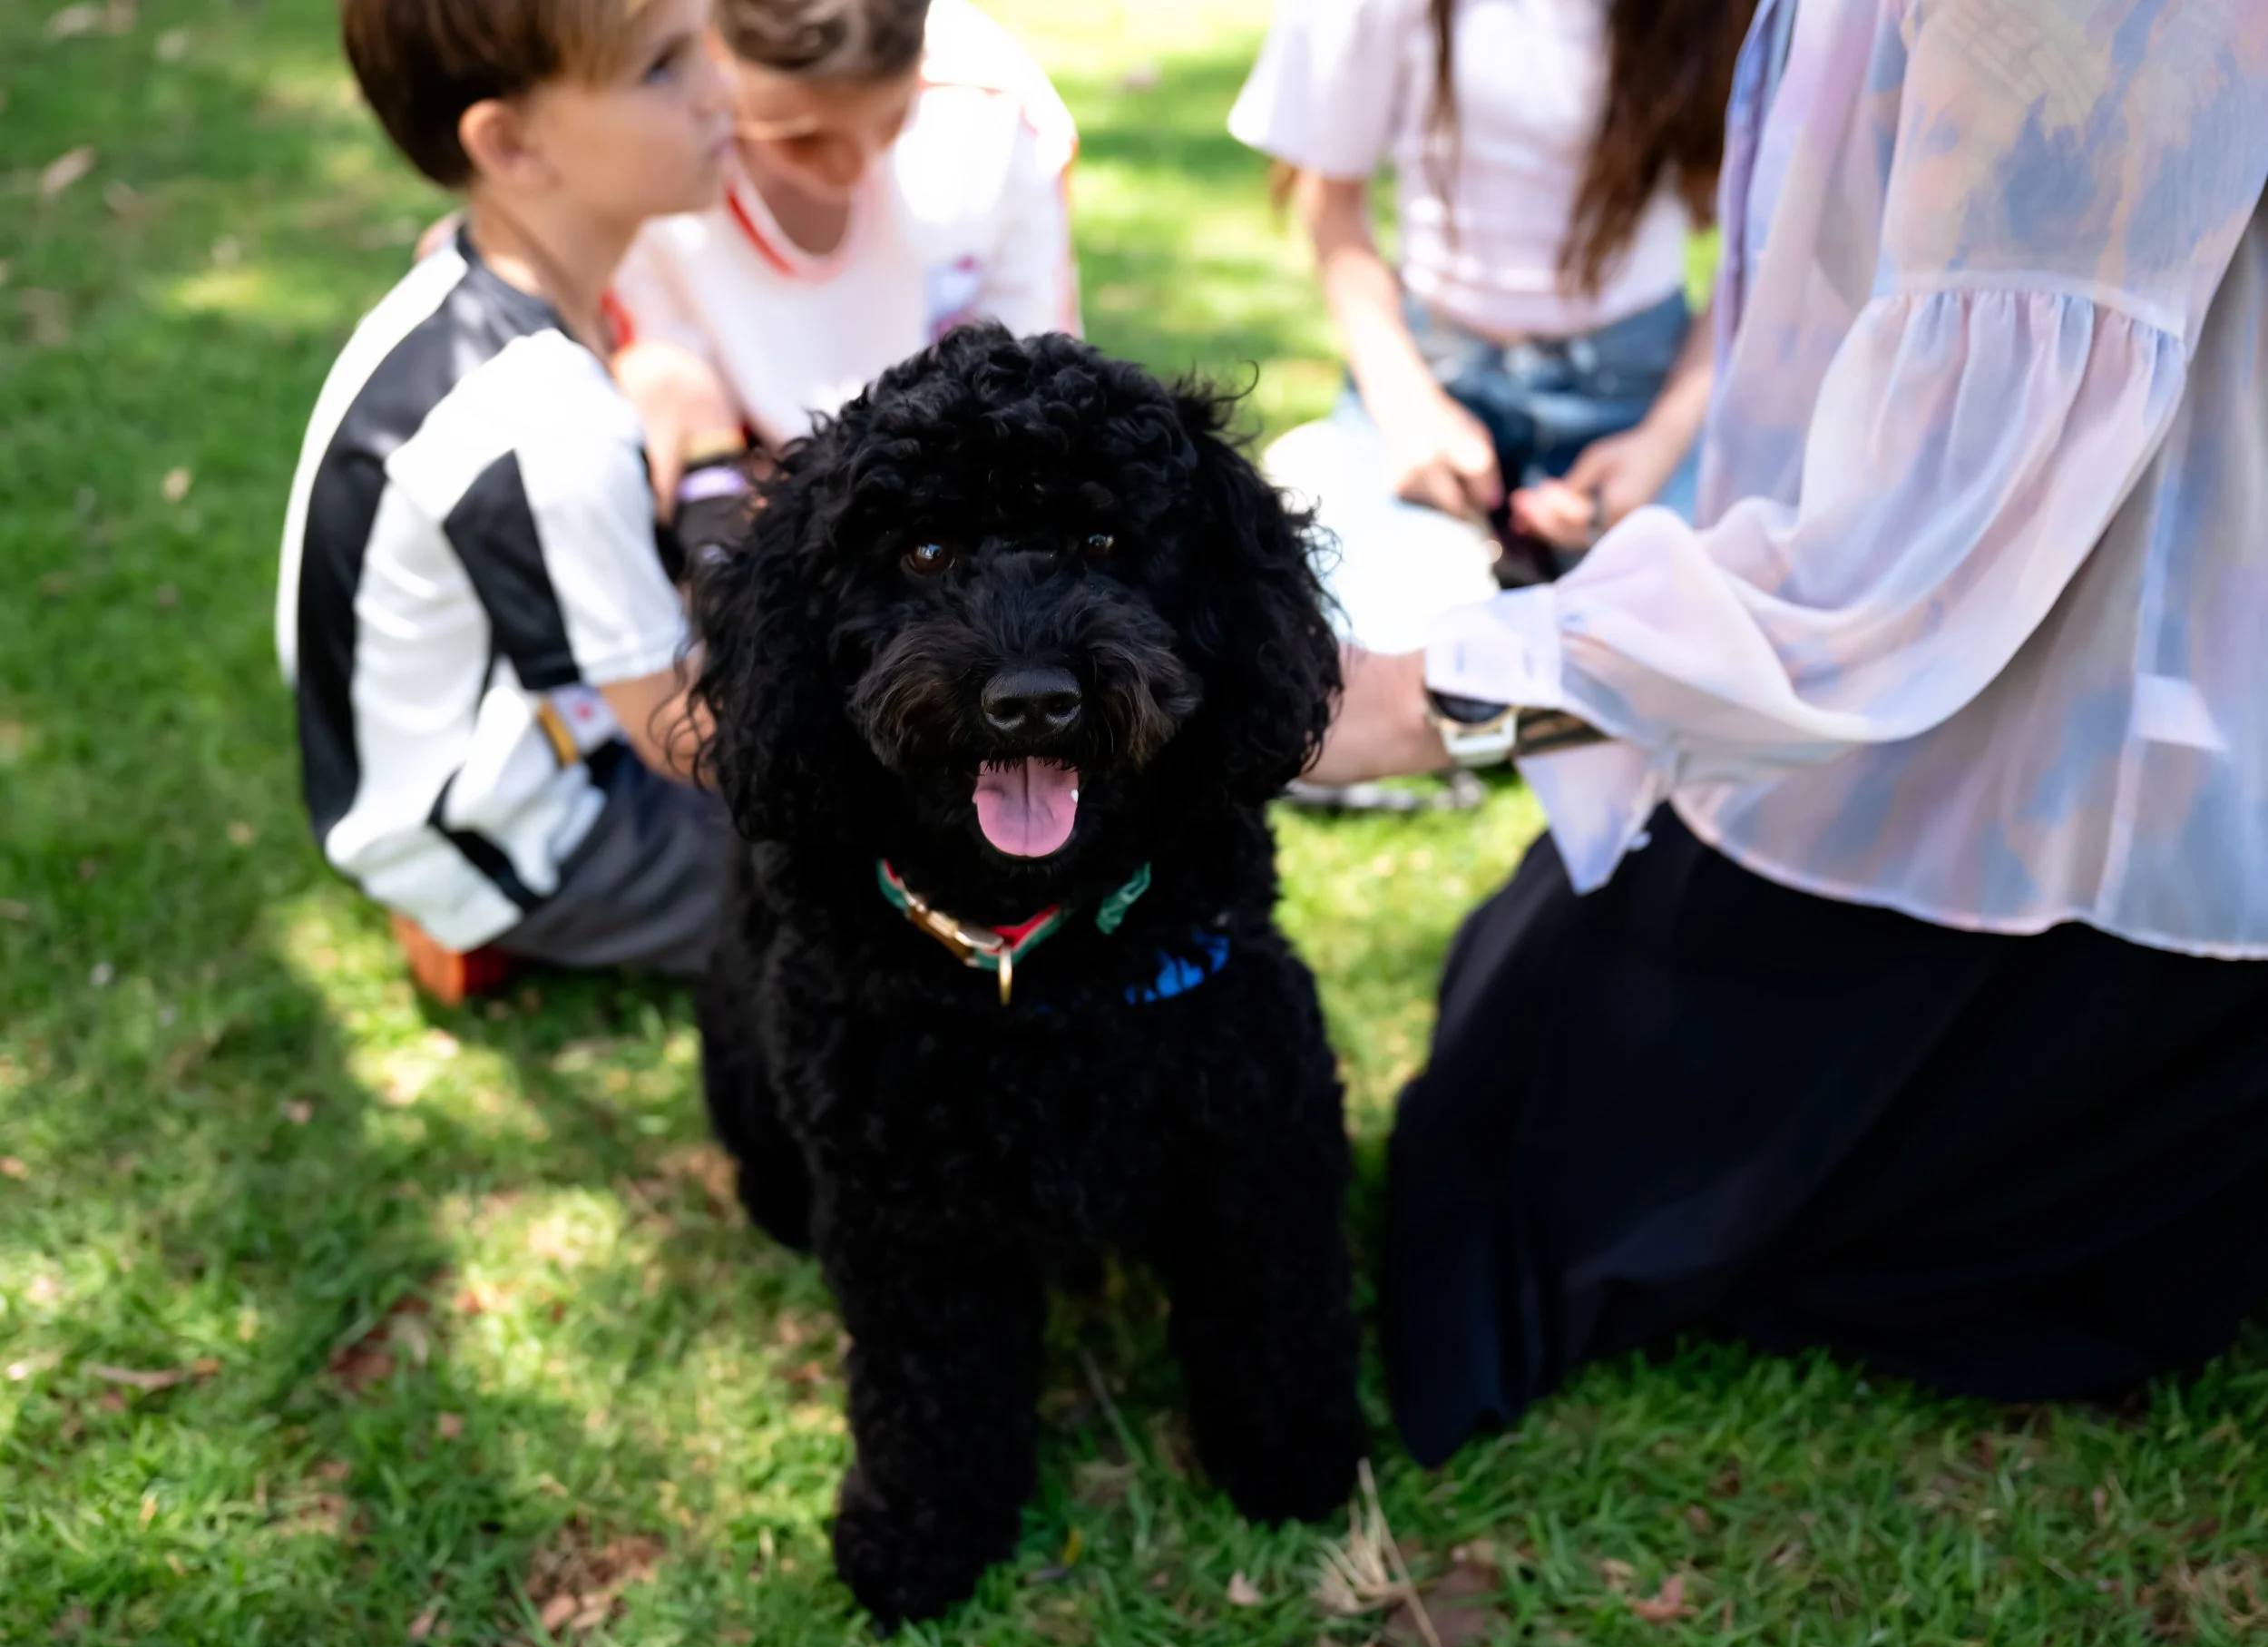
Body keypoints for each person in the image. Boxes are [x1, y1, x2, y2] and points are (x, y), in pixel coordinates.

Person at [1304, 0, 2268, 1466]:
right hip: (1917, 651)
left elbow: (1923, 549)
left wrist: (1431, 695)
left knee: (1560, 1167)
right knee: (1524, 1022)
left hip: (2091, 753)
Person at [278, 0, 735, 999]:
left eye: (705, 42)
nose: (718, 88)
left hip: (501, 739)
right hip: (518, 832)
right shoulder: (545, 422)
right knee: (887, 865)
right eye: (664, 68)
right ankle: (482, 928)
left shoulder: (464, 267)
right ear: (512, 142)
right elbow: (682, 733)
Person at [1228, 0, 1750, 655]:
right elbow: (1330, 200)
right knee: (1371, 650)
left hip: (1643, 392)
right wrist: (1406, 409)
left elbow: (1768, 248)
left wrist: (1664, 438)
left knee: (1703, 651)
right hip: (1431, 377)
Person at [606, 0, 1079, 502]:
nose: (850, 169)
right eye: (803, 140)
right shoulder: (646, 156)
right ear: (714, 57)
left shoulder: (994, 114)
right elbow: (675, 395)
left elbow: (1036, 385)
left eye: (894, 120)